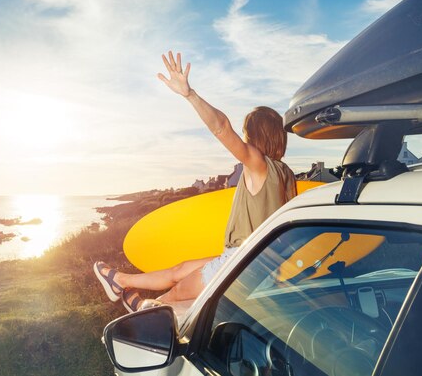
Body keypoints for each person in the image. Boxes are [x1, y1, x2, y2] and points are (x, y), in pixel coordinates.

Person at [94, 51, 296, 313]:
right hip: (255, 261)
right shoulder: (286, 173)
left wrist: (189, 94)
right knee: (179, 271)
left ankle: (146, 314)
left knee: (177, 294)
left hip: (241, 262)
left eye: (246, 134)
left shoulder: (258, 164)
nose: (243, 140)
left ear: (255, 135)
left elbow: (221, 127)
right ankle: (119, 282)